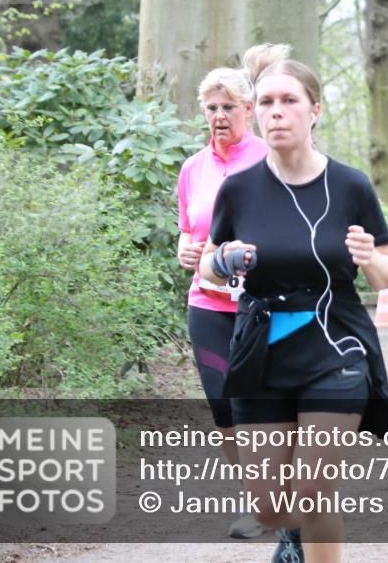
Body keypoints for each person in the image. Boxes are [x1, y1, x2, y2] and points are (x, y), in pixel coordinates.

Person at [199, 46, 388, 563]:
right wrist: (220, 260)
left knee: (312, 492)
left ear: (315, 110)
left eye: (289, 100)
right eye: (265, 102)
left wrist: (369, 259)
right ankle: (291, 541)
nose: (275, 111)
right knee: (270, 508)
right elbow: (206, 264)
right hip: (264, 346)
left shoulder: (350, 183)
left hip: (337, 344)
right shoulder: (239, 189)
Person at [176, 67, 270, 538]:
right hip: (207, 306)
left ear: (248, 110)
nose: (219, 116)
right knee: (223, 407)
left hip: (260, 306)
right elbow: (187, 231)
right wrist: (185, 250)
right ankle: (260, 501)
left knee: (262, 405)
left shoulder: (270, 158)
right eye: (211, 108)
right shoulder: (193, 167)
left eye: (228, 107)